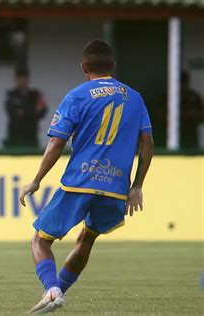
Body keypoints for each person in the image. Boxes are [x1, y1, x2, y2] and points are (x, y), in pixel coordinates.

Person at [19, 39, 154, 313]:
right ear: (112, 66)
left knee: (40, 240)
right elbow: (147, 145)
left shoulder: (77, 96)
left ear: (84, 68)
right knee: (87, 239)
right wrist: (137, 186)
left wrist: (37, 179)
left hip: (80, 182)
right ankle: (57, 294)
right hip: (116, 187)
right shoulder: (134, 97)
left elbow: (57, 142)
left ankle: (52, 290)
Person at [4, 68, 47, 148]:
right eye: (20, 79)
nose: (22, 81)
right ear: (16, 79)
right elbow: (11, 112)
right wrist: (31, 111)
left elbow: (42, 111)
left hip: (31, 133)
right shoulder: (11, 94)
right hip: (15, 134)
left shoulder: (35, 95)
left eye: (24, 79)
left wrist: (24, 112)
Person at [179, 71, 203, 149]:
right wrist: (183, 114)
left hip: (191, 134)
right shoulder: (168, 97)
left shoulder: (194, 97)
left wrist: (193, 114)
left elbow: (202, 116)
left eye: (184, 82)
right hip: (174, 134)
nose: (183, 85)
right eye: (181, 82)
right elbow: (161, 116)